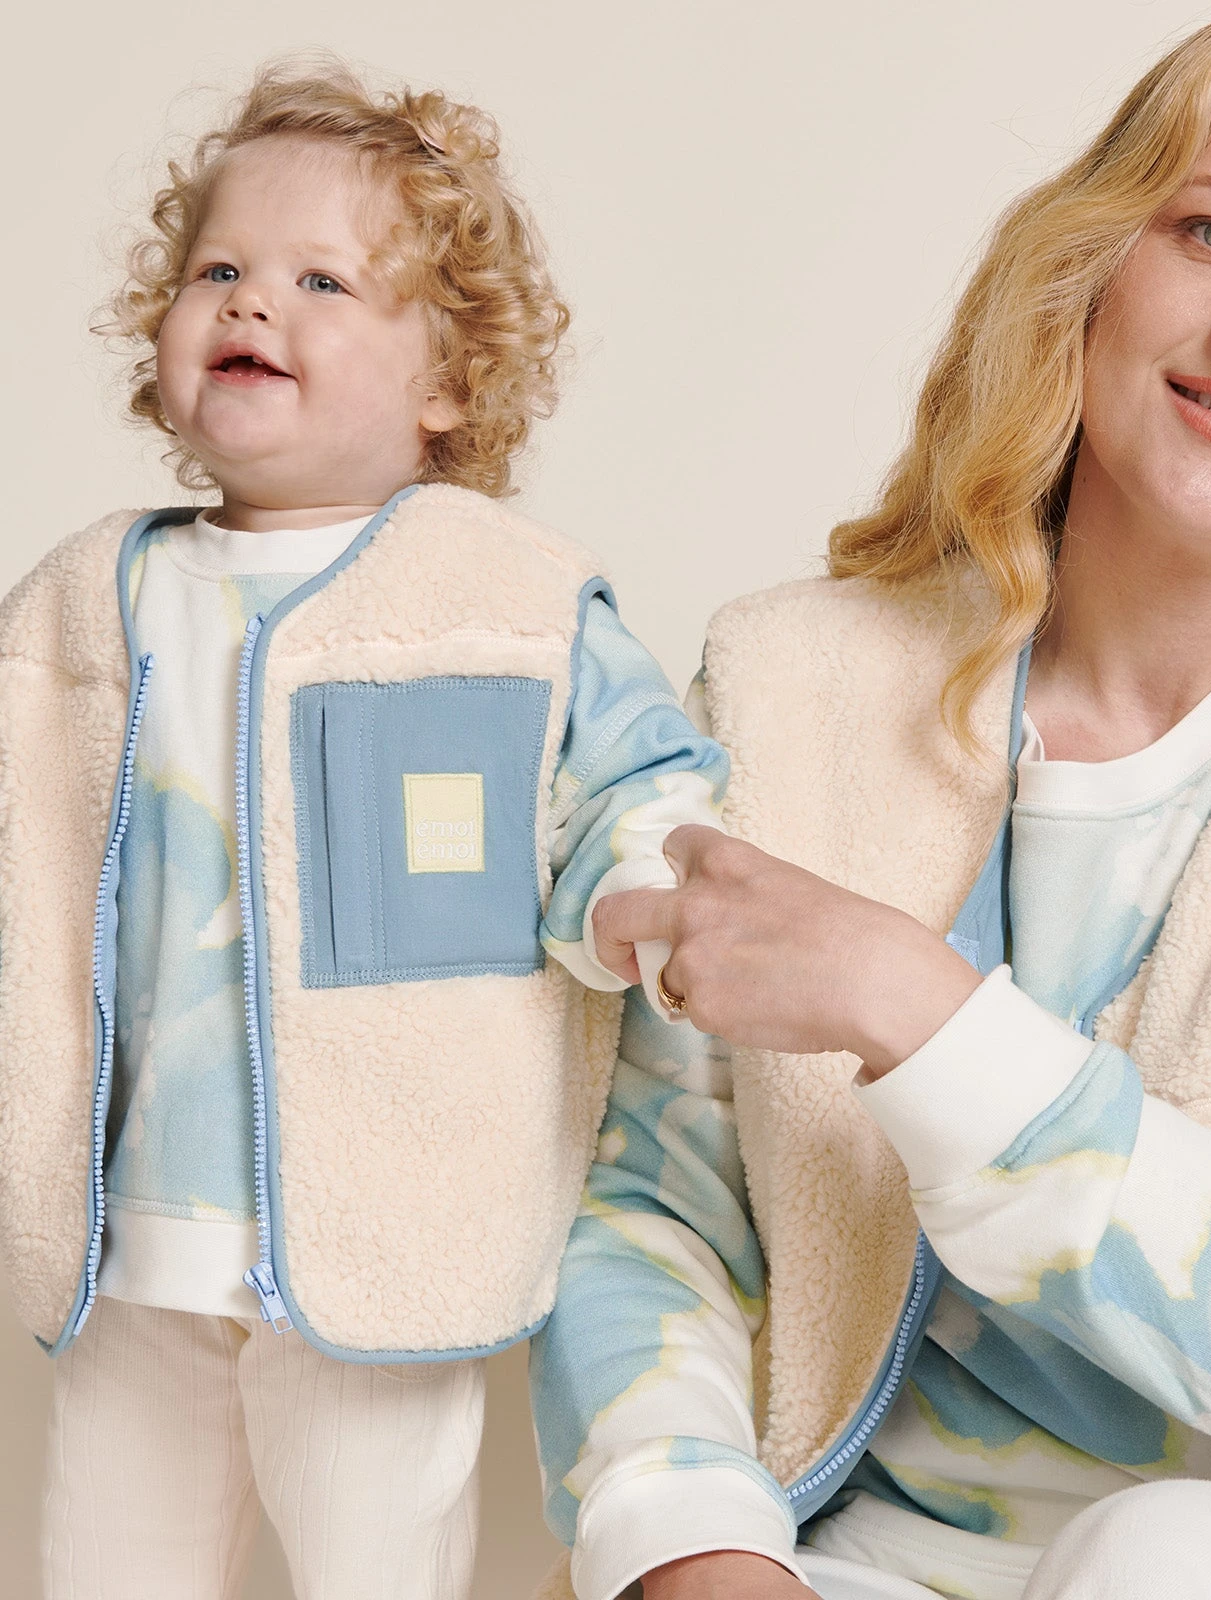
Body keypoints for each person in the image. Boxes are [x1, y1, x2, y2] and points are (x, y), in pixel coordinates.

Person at [532, 5, 1211, 1598]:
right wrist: (693, 1548)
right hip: (842, 1558)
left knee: (1164, 1556)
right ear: (1096, 257)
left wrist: (918, 1012)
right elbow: (652, 1205)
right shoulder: (794, 686)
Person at [0, 59, 726, 1600]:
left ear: (445, 381)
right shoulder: (82, 600)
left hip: (387, 1229)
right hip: (131, 1246)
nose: (254, 301)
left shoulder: (505, 601)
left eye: (323, 280)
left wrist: (641, 896)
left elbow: (634, 783)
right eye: (218, 270)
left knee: (376, 1571)